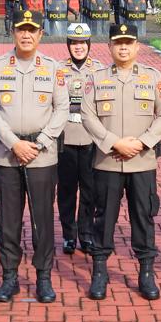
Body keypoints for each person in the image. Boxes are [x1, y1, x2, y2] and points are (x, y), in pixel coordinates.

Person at [79, 23, 161, 300]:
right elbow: (87, 115)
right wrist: (113, 142)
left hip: (142, 161)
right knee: (103, 217)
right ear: (109, 46)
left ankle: (146, 272)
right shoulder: (96, 78)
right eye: (118, 43)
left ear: (137, 46)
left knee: (143, 217)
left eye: (128, 42)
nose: (123, 47)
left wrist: (142, 143)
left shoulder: (152, 77)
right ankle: (100, 271)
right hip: (107, 161)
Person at [0, 9, 70, 304]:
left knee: (42, 219)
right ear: (13, 32)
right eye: (22, 29)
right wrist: (13, 143)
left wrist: (41, 142)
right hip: (7, 155)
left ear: (41, 34)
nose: (27, 35)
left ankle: (43, 276)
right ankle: (9, 276)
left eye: (32, 30)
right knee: (8, 221)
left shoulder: (53, 69)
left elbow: (62, 109)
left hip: (42, 156)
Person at [57, 22, 106, 254]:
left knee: (90, 188)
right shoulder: (58, 70)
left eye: (83, 43)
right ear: (68, 45)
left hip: (90, 138)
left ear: (89, 44)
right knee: (66, 189)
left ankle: (86, 234)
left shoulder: (99, 70)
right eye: (74, 43)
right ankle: (69, 235)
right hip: (66, 137)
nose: (78, 47)